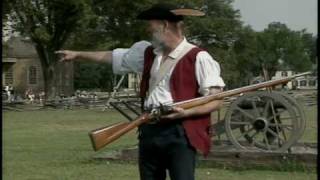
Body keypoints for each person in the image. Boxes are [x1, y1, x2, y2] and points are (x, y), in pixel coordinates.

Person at [56, 3, 225, 180]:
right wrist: (77, 54)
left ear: (164, 25)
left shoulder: (198, 57)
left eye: (150, 25)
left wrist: (186, 112)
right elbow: (113, 57)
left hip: (179, 132)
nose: (147, 29)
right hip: (149, 129)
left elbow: (216, 100)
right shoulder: (148, 53)